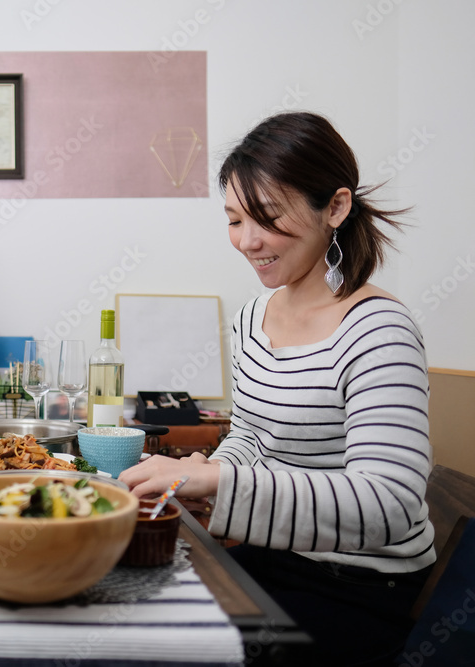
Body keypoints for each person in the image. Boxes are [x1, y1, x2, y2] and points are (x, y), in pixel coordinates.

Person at [119, 111, 434, 666]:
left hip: (358, 588)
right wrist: (209, 476)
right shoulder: (253, 317)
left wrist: (219, 479)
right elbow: (250, 436)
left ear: (335, 207)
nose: (247, 242)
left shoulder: (377, 329)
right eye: (234, 220)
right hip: (279, 558)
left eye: (265, 218)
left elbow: (389, 502)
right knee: (132, 606)